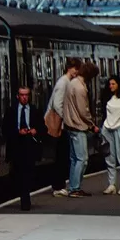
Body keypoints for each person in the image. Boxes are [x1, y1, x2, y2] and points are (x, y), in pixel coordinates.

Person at [2, 86, 46, 211]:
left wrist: (35, 130)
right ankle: (24, 198)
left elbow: (43, 128)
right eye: (22, 95)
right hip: (16, 145)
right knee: (18, 173)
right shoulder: (11, 111)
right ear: (17, 96)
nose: (24, 97)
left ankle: (25, 200)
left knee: (28, 173)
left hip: (30, 145)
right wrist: (17, 132)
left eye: (26, 95)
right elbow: (5, 129)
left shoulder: (34, 110)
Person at [63, 61, 100, 198]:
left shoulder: (72, 83)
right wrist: (92, 125)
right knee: (82, 159)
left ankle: (73, 186)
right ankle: (75, 188)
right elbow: (83, 110)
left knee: (74, 159)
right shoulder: (80, 88)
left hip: (70, 125)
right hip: (78, 126)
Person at [45, 57, 81, 197]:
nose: (76, 72)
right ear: (69, 68)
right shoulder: (63, 83)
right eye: (75, 69)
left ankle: (59, 184)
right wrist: (67, 119)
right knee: (61, 156)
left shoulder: (65, 82)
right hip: (60, 124)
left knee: (62, 155)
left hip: (62, 124)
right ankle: (58, 185)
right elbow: (57, 104)